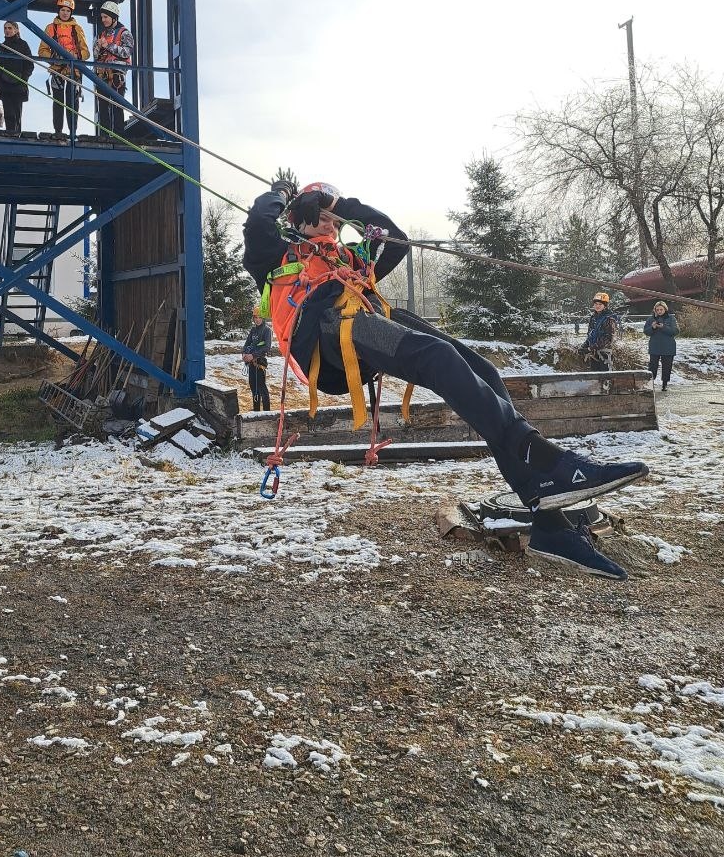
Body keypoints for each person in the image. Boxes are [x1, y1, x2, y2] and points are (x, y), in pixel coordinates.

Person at [243, 182, 650, 580]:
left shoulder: (348, 256)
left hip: (364, 322)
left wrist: (342, 203)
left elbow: (395, 240)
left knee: (484, 372)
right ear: (300, 218)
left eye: (333, 218)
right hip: (324, 336)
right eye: (321, 216)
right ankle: (547, 461)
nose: (330, 223)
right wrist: (283, 195)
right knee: (436, 357)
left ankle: (549, 522)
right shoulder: (276, 254)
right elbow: (257, 224)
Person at [37, 0, 89, 142]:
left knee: (73, 102)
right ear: (58, 11)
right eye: (62, 10)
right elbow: (42, 51)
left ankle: (73, 132)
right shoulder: (50, 28)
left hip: (74, 70)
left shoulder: (77, 29)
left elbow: (85, 52)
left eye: (67, 10)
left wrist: (74, 55)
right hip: (57, 70)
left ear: (71, 12)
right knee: (58, 101)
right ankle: (58, 131)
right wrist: (55, 57)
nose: (65, 13)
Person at [93, 0, 134, 138]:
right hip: (103, 73)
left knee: (117, 105)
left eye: (106, 17)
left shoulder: (125, 33)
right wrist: (99, 47)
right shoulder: (101, 35)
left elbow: (127, 52)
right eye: (102, 17)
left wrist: (108, 46)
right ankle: (104, 135)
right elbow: (95, 55)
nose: (103, 20)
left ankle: (119, 136)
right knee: (103, 106)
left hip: (117, 74)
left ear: (114, 17)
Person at [0, 20, 34, 135]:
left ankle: (16, 136)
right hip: (4, 85)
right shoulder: (2, 47)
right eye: (5, 28)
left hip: (18, 85)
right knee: (9, 114)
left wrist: (23, 79)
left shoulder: (23, 45)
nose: (7, 30)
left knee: (17, 115)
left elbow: (29, 64)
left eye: (10, 28)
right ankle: (11, 135)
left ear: (16, 30)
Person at [242, 304, 272, 411]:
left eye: (259, 317)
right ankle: (256, 411)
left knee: (261, 387)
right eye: (255, 317)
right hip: (251, 363)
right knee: (253, 387)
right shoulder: (253, 330)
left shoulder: (267, 330)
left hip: (260, 362)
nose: (257, 319)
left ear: (263, 318)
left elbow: (267, 347)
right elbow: (246, 344)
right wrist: (244, 354)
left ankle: (267, 412)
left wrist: (253, 355)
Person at [578, 292, 619, 372]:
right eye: (596, 304)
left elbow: (608, 339)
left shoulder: (609, 319)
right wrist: (584, 346)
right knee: (595, 378)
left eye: (600, 304)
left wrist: (590, 348)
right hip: (594, 353)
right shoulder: (593, 318)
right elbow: (590, 335)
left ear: (605, 305)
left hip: (605, 353)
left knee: (605, 378)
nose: (597, 306)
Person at [644, 301, 678, 391]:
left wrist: (663, 327)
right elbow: (646, 332)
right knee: (652, 366)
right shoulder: (651, 319)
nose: (659, 311)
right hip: (655, 346)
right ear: (655, 310)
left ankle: (665, 384)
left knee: (667, 367)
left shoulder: (671, 318)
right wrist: (652, 328)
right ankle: (650, 383)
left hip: (668, 347)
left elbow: (675, 331)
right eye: (657, 309)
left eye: (661, 309)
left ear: (665, 309)